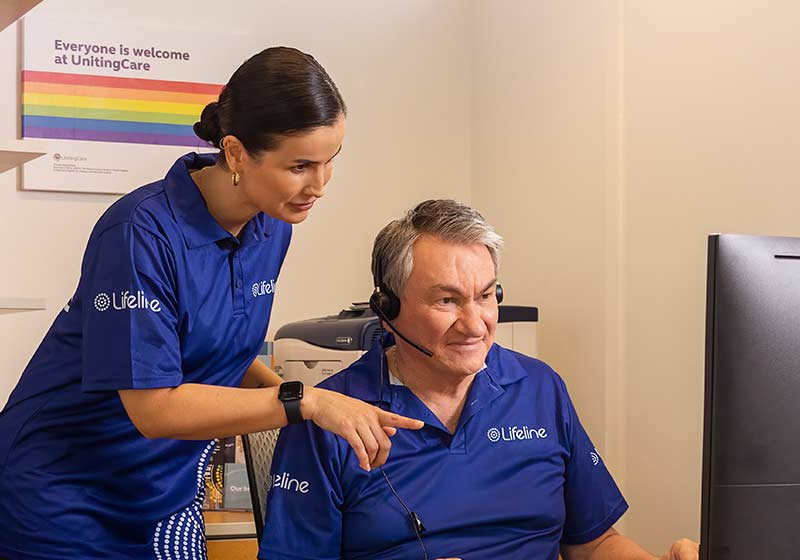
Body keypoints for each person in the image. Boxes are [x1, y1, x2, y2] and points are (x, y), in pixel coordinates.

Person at [0, 47, 422, 560]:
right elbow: (153, 409)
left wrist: (314, 403)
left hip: (164, 490)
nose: (320, 186)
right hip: (65, 490)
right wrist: (302, 402)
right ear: (237, 152)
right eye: (300, 166)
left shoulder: (272, 226)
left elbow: (222, 351)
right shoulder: (139, 232)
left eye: (330, 161)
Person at [258, 199, 700, 560]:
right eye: (448, 301)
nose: (475, 325)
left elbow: (594, 543)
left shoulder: (540, 388)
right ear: (387, 310)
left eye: (486, 296)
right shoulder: (330, 417)